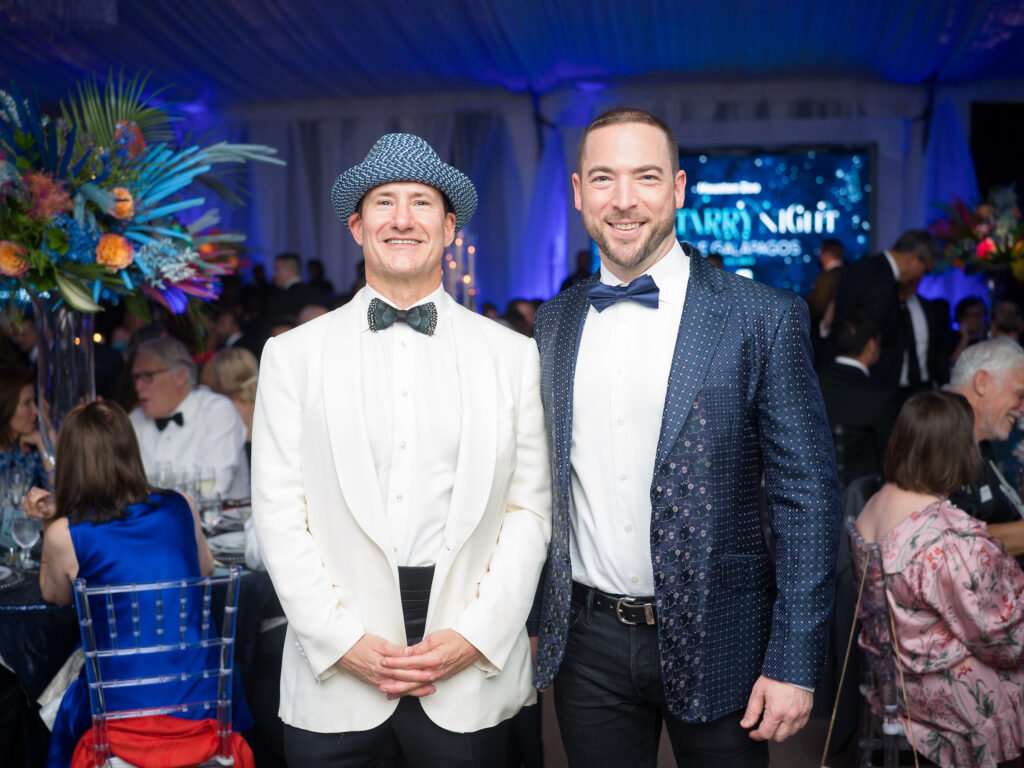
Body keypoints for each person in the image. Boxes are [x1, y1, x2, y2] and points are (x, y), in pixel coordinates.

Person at [531, 107, 841, 767]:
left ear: (677, 188)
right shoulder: (554, 323)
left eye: (645, 177)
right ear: (578, 192)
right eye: (603, 178)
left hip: (724, 636)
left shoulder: (761, 316)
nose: (623, 200)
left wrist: (793, 658)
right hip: (588, 643)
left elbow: (807, 498)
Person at [252, 132, 551, 766]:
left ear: (449, 228)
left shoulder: (513, 355)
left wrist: (475, 635)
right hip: (334, 675)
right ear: (357, 227)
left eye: (421, 202)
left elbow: (529, 512)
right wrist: (340, 641)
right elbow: (278, 512)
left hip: (470, 671)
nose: (403, 219)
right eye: (384, 202)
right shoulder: (291, 356)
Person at [23, 400, 252, 768]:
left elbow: (55, 595)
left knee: (55, 704)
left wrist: (49, 523)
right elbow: (207, 568)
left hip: (119, 716)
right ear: (130, 450)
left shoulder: (65, 534)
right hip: (203, 702)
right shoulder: (180, 505)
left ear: (70, 461)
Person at [852, 390, 1024, 768]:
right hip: (940, 689)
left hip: (895, 676)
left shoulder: (874, 503)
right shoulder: (946, 538)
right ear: (957, 452)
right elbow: (1000, 641)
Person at [128, 336, 249, 498]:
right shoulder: (134, 421)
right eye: (135, 378)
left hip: (219, 515)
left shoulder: (216, 411)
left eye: (147, 376)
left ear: (179, 376)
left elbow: (213, 491)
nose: (138, 386)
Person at [832, 229, 940, 390]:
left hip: (846, 373)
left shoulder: (863, 267)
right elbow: (870, 332)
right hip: (870, 380)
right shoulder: (883, 282)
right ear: (911, 258)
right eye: (925, 270)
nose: (921, 276)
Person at [947, 338, 1024, 555]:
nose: (1022, 410)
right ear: (982, 383)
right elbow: (956, 540)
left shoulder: (980, 444)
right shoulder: (939, 443)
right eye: (1019, 395)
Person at [817, 312, 898, 487]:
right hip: (859, 497)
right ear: (871, 345)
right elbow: (890, 458)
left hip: (808, 492)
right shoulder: (880, 397)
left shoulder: (808, 384)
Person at [0, 367, 49, 488]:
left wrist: (42, 441)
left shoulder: (28, 452)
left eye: (34, 401)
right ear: (8, 408)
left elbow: (58, 492)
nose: (36, 411)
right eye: (27, 403)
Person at [804, 238, 845, 326]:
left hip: (826, 327)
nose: (819, 255)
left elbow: (819, 305)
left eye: (820, 252)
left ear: (826, 254)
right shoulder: (850, 273)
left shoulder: (826, 277)